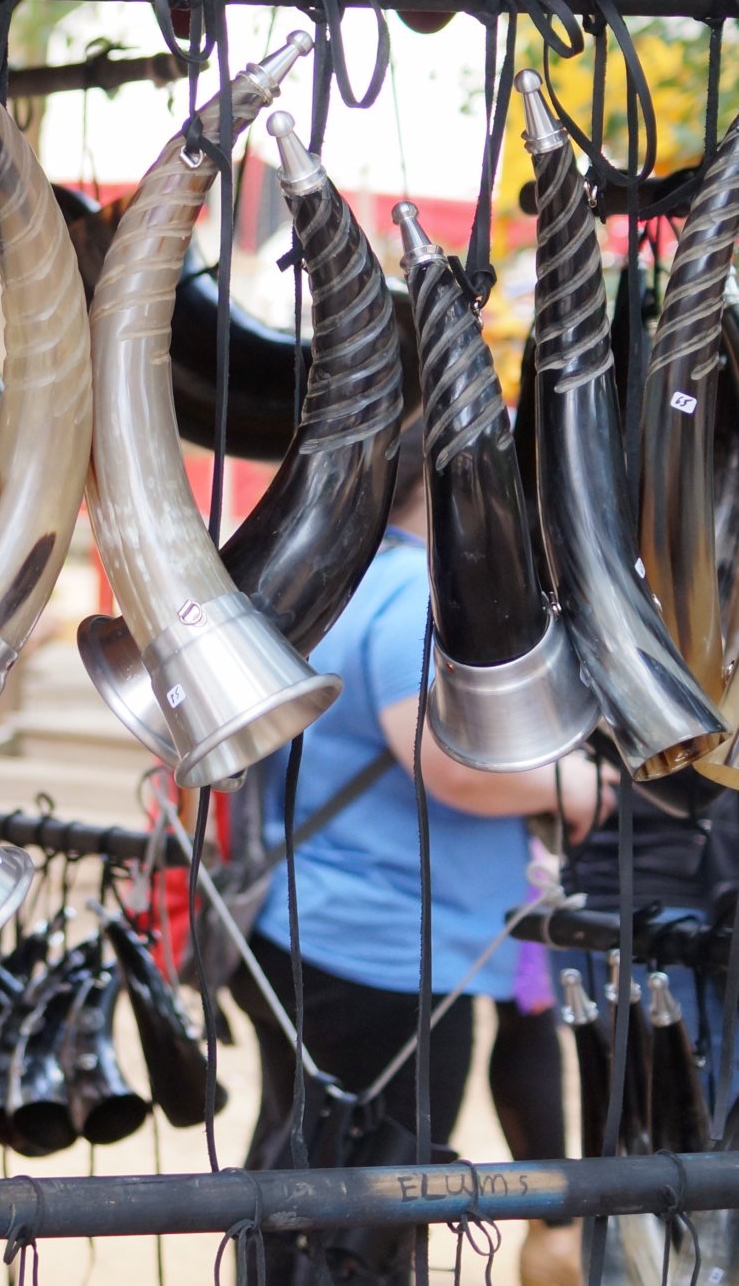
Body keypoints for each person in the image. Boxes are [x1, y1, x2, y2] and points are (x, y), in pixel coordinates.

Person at [231, 417, 607, 1285]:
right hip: (386, 952)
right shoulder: (407, 598)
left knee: (299, 1172)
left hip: (315, 926)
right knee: (371, 1202)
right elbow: (445, 764)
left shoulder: (330, 583)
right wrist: (582, 788)